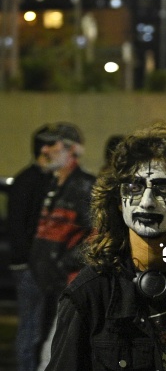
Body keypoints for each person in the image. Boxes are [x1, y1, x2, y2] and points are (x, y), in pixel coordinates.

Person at [46, 121, 166, 371]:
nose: (147, 202)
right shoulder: (89, 296)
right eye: (134, 187)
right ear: (118, 201)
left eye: (163, 189)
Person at [29, 122, 96, 370]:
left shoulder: (85, 187)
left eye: (51, 144)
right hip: (52, 285)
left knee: (54, 354)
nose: (44, 149)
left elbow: (97, 236)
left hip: (70, 286)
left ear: (72, 150)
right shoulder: (54, 185)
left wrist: (63, 262)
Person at [7, 124, 53, 371]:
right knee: (31, 329)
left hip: (34, 266)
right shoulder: (29, 181)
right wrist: (32, 263)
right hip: (29, 268)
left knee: (38, 328)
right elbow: (18, 227)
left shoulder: (38, 179)